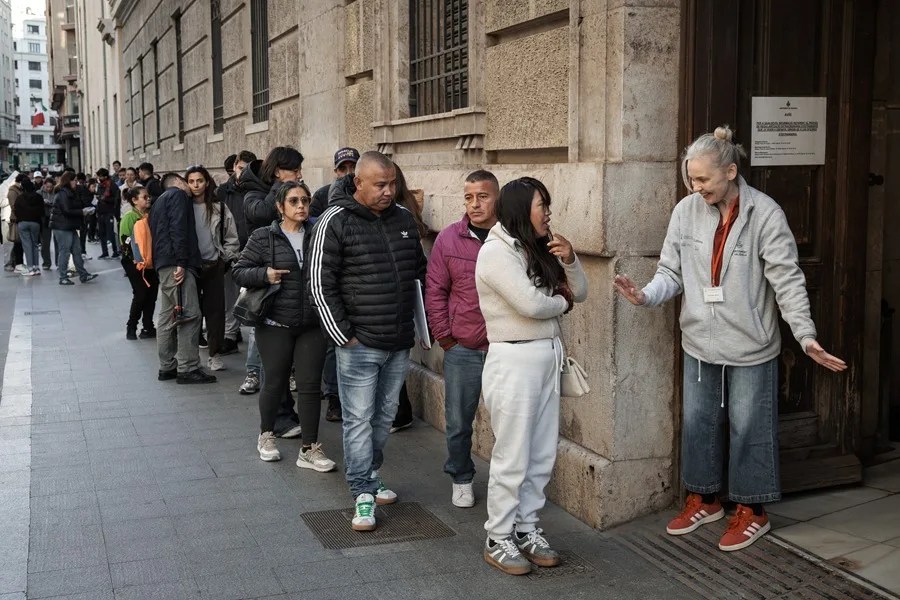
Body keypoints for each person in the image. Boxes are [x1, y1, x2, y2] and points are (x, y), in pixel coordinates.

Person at [614, 126, 848, 552]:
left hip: (750, 345)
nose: (695, 187)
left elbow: (787, 281)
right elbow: (672, 272)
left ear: (731, 171)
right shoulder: (686, 211)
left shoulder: (766, 213)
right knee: (699, 423)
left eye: (703, 179)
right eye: (691, 179)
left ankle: (752, 510)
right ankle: (705, 498)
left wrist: (806, 335)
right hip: (700, 343)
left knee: (749, 428)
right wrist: (645, 295)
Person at [309, 151, 428, 531]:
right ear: (357, 182)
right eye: (380, 184)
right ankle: (362, 491)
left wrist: (421, 328)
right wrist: (345, 336)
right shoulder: (334, 220)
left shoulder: (404, 219)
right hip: (358, 345)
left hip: (398, 342)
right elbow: (319, 284)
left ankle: (370, 475)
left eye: (393, 183)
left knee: (384, 416)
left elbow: (418, 276)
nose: (388, 191)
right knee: (358, 419)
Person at [476, 176, 587, 576]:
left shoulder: (536, 247)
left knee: (541, 454)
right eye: (543, 205)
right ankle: (498, 536)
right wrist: (561, 300)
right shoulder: (495, 253)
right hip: (513, 360)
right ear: (523, 209)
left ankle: (527, 528)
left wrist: (570, 260)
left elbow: (583, 292)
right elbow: (530, 304)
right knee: (513, 455)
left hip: (546, 358)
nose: (549, 213)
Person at [232, 181, 335, 470]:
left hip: (313, 323)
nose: (301, 206)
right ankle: (266, 435)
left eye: (305, 200)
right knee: (275, 381)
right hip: (275, 321)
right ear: (280, 207)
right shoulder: (263, 237)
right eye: (294, 201)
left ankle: (310, 448)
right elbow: (239, 271)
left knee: (310, 386)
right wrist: (263, 274)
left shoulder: (319, 235)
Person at [425, 169, 499, 508]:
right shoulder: (449, 239)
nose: (474, 204)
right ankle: (461, 476)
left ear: (497, 198)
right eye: (468, 197)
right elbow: (435, 291)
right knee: (458, 422)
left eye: (482, 196)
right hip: (463, 348)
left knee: (508, 425)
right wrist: (445, 337)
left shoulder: (510, 236)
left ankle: (504, 483)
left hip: (504, 348)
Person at [150, 172, 216, 385]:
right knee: (190, 314)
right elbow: (178, 229)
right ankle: (188, 367)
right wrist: (181, 262)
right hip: (177, 264)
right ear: (178, 182)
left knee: (167, 315)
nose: (191, 186)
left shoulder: (159, 202)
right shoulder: (177, 196)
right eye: (187, 181)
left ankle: (167, 366)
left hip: (163, 263)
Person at [185, 166, 240, 372]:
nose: (196, 185)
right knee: (191, 311)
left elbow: (232, 237)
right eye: (191, 181)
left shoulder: (220, 208)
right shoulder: (184, 207)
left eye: (200, 180)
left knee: (215, 312)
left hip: (214, 265)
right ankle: (190, 356)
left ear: (207, 182)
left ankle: (214, 353)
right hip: (191, 267)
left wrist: (224, 258)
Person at [389, 163, 428, 434]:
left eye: (389, 183)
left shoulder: (403, 215)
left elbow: (418, 264)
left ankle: (399, 412)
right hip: (391, 308)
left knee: (394, 365)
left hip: (400, 305)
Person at [216, 150, 257, 353]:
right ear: (234, 167)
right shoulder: (223, 191)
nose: (243, 173)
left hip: (253, 250)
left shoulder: (258, 190)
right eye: (240, 168)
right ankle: (230, 334)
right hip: (231, 250)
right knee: (229, 294)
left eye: (247, 169)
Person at [120, 186, 158, 340]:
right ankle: (131, 326)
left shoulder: (150, 215)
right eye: (144, 197)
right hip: (134, 263)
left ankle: (148, 326)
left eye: (148, 196)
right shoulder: (129, 217)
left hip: (150, 262)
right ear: (134, 200)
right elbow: (125, 242)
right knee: (141, 294)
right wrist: (136, 261)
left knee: (152, 294)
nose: (148, 199)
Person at [49, 172, 98, 285]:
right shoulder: (62, 193)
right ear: (68, 181)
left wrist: (85, 209)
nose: (76, 182)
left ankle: (83, 274)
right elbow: (66, 210)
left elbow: (74, 206)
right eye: (74, 180)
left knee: (77, 250)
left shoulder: (70, 192)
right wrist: (82, 212)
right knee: (65, 252)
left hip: (69, 225)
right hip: (62, 226)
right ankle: (63, 277)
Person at [244, 146, 304, 231]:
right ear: (277, 172)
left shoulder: (293, 190)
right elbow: (263, 214)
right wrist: (280, 186)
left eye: (300, 171)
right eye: (295, 171)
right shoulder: (252, 194)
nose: (299, 175)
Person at [309, 147, 360, 219]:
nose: (348, 173)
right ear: (336, 171)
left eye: (353, 167)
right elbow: (312, 223)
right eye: (342, 169)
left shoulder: (367, 194)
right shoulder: (322, 194)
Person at [13, 177, 44, 276]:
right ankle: (36, 267)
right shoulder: (38, 197)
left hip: (23, 223)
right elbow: (41, 211)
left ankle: (30, 268)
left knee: (27, 245)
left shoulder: (19, 198)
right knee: (35, 244)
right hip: (35, 223)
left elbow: (16, 210)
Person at [95, 168, 121, 259]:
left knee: (111, 233)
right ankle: (104, 252)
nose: (99, 178)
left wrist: (105, 199)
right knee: (101, 233)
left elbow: (116, 199)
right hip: (101, 211)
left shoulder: (112, 185)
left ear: (105, 176)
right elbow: (98, 195)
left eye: (101, 176)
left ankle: (115, 251)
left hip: (109, 212)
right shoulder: (100, 185)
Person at [3, 174, 24, 273]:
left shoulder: (17, 189)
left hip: (15, 219)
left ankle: (15, 262)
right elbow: (11, 205)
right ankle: (8, 263)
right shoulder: (9, 190)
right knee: (9, 243)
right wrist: (8, 200)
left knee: (16, 242)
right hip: (8, 219)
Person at [39, 176, 56, 270]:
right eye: (47, 187)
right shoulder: (39, 193)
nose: (49, 189)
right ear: (44, 185)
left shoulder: (56, 192)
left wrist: (52, 203)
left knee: (58, 241)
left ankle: (58, 263)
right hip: (44, 218)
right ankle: (46, 262)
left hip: (55, 217)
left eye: (51, 187)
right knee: (45, 242)